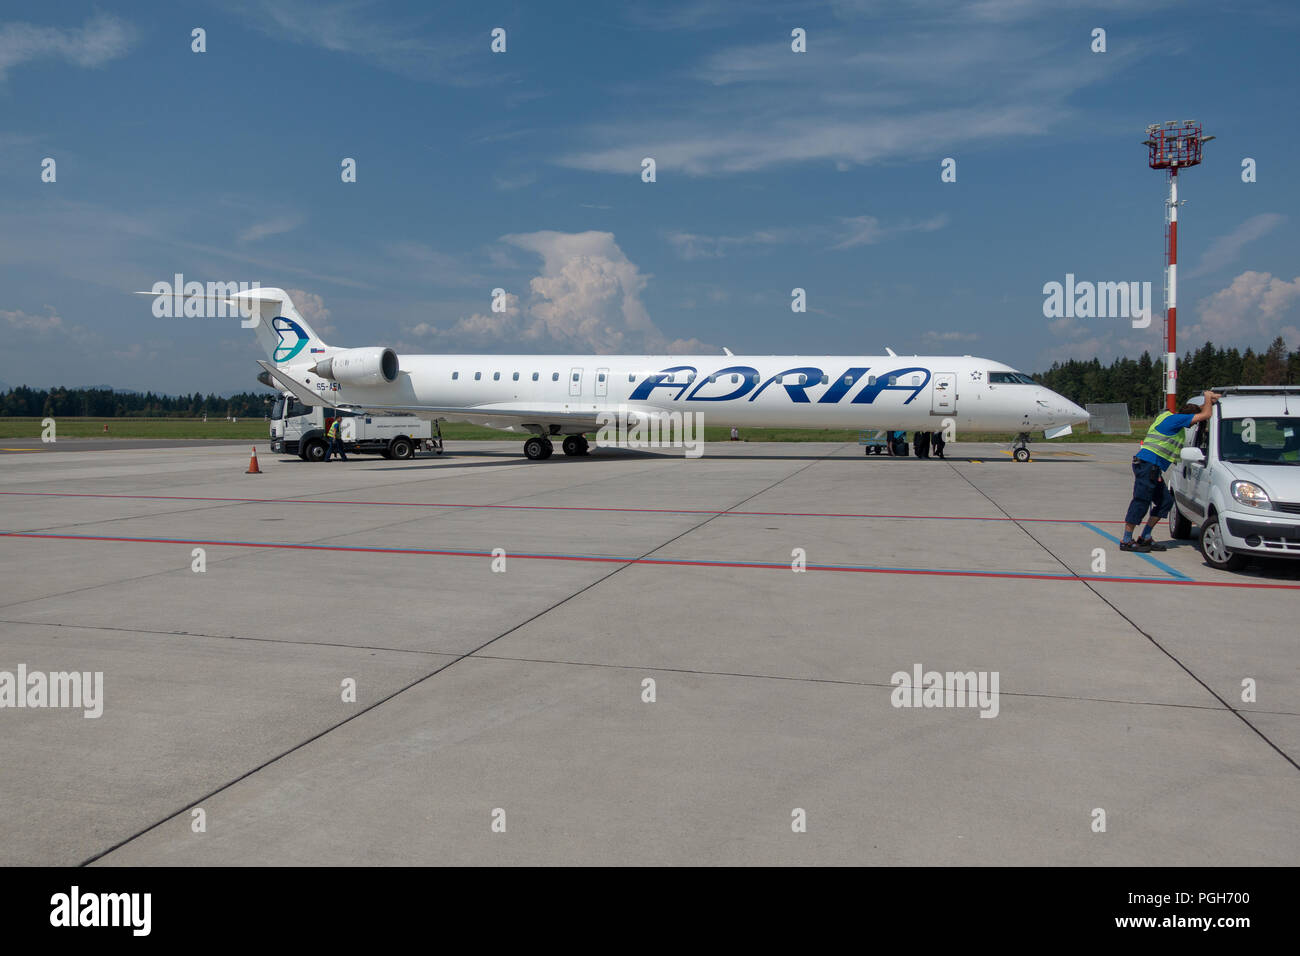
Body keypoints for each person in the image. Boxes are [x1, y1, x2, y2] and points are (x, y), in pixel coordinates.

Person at [1121, 390, 1220, 552]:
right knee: (1141, 501)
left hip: (1152, 467)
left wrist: (1211, 401)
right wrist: (1208, 396)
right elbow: (1205, 415)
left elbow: (1201, 410)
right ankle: (1126, 540)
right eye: (1193, 423)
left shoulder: (1172, 417)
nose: (1193, 425)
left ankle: (1145, 536)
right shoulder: (1176, 420)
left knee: (1165, 502)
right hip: (1148, 465)